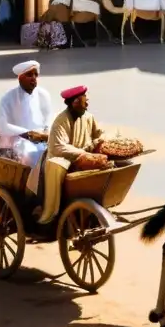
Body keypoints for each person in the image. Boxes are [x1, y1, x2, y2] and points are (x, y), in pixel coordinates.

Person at [38, 86, 109, 224]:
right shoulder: (61, 120)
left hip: (84, 156)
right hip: (62, 157)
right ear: (75, 102)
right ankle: (51, 214)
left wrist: (101, 141)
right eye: (84, 101)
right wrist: (83, 153)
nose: (87, 104)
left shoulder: (89, 117)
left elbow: (100, 134)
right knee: (56, 165)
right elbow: (58, 147)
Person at [0, 60, 53, 174]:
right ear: (20, 78)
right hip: (19, 139)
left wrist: (45, 132)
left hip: (42, 137)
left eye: (35, 75)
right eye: (29, 75)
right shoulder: (8, 98)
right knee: (32, 154)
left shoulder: (43, 94)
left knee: (55, 154)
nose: (34, 78)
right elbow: (3, 126)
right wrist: (28, 133)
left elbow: (49, 117)